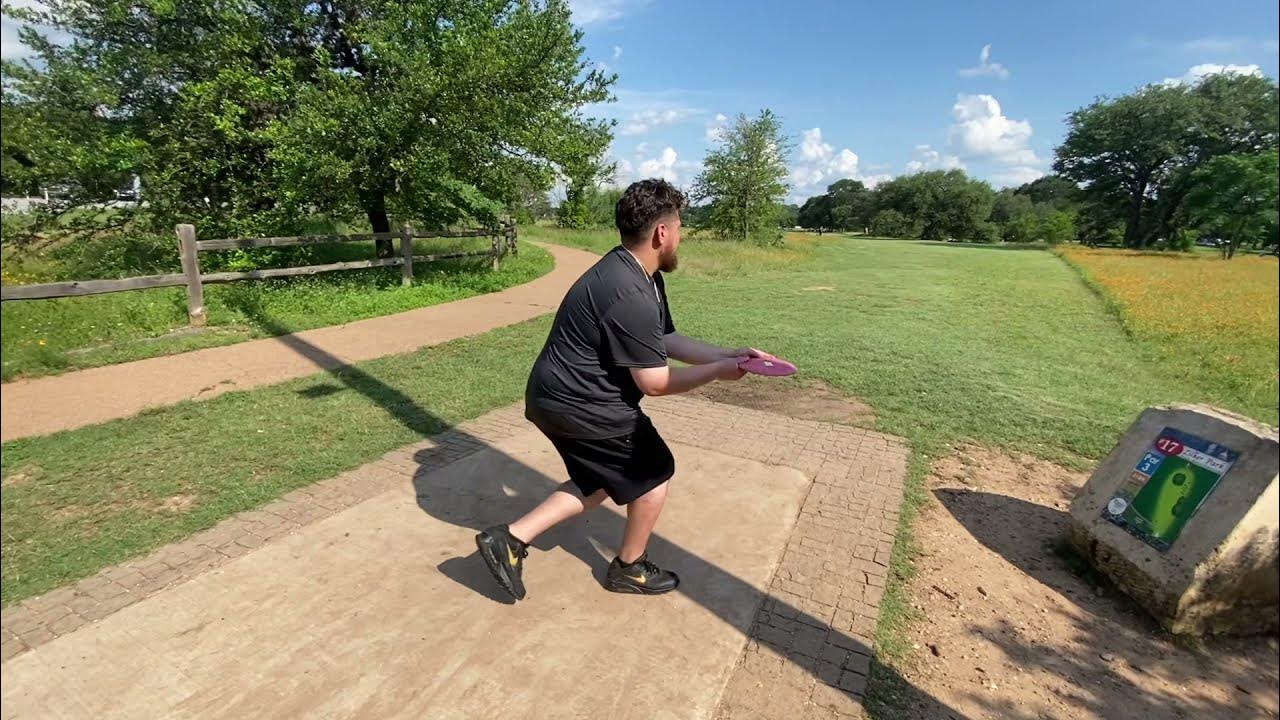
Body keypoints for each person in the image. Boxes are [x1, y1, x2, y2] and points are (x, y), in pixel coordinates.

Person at [476, 178, 775, 600]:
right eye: (680, 227)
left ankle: (509, 539)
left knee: (602, 479)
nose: (682, 236)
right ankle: (629, 568)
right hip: (581, 403)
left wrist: (730, 355)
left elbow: (666, 339)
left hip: (557, 398)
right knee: (652, 475)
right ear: (662, 233)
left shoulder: (640, 274)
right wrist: (717, 372)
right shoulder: (629, 290)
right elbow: (654, 382)